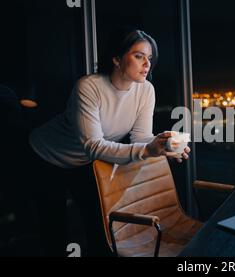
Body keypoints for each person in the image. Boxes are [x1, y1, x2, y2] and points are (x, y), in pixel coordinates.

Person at [27, 28, 189, 256]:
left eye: (149, 58)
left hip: (87, 163)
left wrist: (163, 146)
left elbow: (141, 138)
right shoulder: (89, 87)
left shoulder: (146, 90)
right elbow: (93, 145)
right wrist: (148, 149)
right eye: (139, 56)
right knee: (54, 231)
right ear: (116, 58)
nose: (147, 64)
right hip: (47, 156)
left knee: (100, 228)